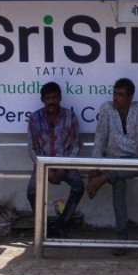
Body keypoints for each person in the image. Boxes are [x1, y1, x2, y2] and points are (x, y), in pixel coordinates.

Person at [87, 78, 138, 254]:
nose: (116, 98)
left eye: (121, 95)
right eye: (115, 94)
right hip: (113, 159)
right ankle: (122, 239)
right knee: (118, 184)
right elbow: (100, 138)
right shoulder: (107, 109)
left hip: (135, 160)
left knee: (124, 173)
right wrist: (94, 167)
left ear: (130, 97)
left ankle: (104, 179)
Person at [25, 81, 84, 237]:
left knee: (79, 186)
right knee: (31, 192)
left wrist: (65, 166)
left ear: (60, 98)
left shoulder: (70, 117)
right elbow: (32, 147)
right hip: (43, 165)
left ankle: (62, 223)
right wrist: (46, 169)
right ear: (43, 99)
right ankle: (45, 227)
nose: (51, 101)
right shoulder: (34, 118)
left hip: (65, 164)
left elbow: (76, 144)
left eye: (54, 97)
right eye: (48, 98)